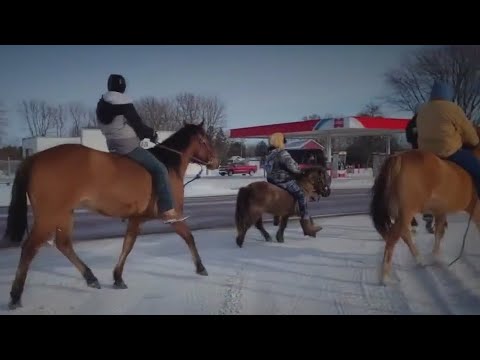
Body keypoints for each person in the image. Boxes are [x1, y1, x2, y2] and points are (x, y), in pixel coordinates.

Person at [96, 74, 187, 224]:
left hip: (111, 144)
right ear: (123, 87)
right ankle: (168, 210)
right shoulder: (124, 103)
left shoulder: (101, 103)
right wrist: (151, 135)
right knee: (160, 169)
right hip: (128, 145)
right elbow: (137, 124)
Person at [416, 80, 480, 198]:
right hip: (448, 151)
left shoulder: (422, 110)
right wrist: (475, 142)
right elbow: (467, 130)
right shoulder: (452, 108)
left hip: (424, 152)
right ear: (448, 94)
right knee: (477, 169)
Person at [264, 132, 322, 237]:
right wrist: (301, 171)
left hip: (271, 181)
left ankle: (277, 216)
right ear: (280, 142)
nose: (285, 144)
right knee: (301, 195)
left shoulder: (270, 155)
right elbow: (294, 168)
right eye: (284, 142)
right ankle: (306, 225)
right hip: (283, 181)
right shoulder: (283, 153)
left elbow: (268, 169)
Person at [405, 103, 434, 233]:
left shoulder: (411, 123)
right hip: (427, 155)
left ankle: (409, 216)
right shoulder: (429, 121)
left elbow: (408, 138)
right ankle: (429, 213)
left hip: (414, 155)